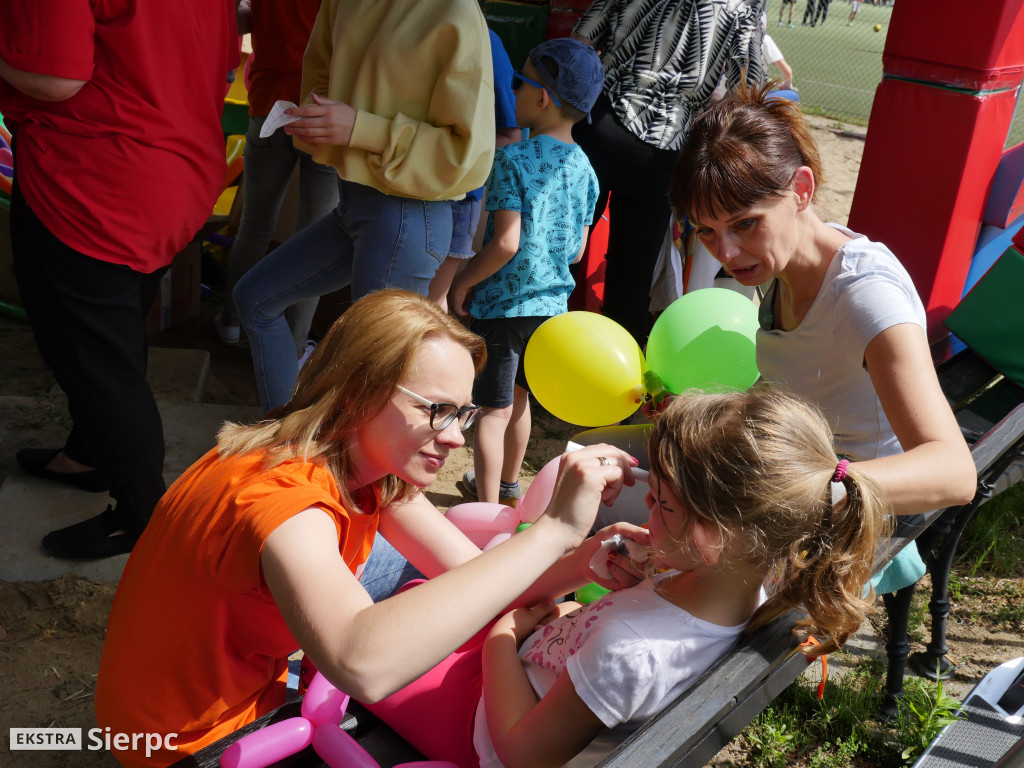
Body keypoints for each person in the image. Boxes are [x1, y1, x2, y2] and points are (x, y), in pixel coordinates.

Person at [94, 289, 642, 767]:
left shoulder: (365, 463)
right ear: (358, 392)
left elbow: (482, 580)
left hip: (227, 700)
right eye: (439, 410)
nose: (456, 438)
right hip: (187, 743)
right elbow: (364, 663)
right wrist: (550, 531)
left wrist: (584, 558)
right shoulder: (285, 499)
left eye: (465, 415)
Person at [363, 388, 891, 768]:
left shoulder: (630, 652)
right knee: (421, 597)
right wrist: (584, 598)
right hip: (534, 670)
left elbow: (523, 755)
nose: (647, 514)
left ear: (716, 537)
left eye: (659, 502)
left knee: (381, 634)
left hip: (483, 728)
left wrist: (501, 640)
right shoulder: (753, 584)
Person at [669, 83, 976, 584]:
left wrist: (811, 484)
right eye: (706, 230)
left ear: (802, 190)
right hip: (794, 491)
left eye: (744, 224)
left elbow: (954, 473)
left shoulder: (865, 294)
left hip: (859, 519)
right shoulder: (777, 267)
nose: (723, 252)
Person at [1, 2, 236, 558]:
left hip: (96, 184)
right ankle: (88, 455)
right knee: (111, 336)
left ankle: (142, 517)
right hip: (172, 169)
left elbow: (56, 77)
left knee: (103, 368)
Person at [233, 0, 496, 414]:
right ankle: (290, 442)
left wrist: (360, 128)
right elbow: (319, 72)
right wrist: (319, 122)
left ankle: (324, 465)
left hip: (409, 212)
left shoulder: (453, 11)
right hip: (355, 202)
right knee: (255, 299)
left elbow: (467, 154)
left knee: (371, 386)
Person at [450, 39, 602, 505]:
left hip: (502, 307)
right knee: (519, 402)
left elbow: (505, 243)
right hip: (551, 310)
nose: (510, 90)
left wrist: (464, 281)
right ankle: (509, 485)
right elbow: (576, 252)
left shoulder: (511, 160)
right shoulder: (587, 170)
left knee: (490, 413)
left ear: (542, 97)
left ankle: (487, 507)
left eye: (518, 81)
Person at [571, 0, 765, 346]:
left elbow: (582, 40)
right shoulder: (741, 5)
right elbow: (748, 86)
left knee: (560, 252)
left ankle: (524, 374)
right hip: (667, 142)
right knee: (632, 280)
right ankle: (617, 383)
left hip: (602, 119)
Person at [211, 0, 340, 360]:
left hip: (268, 103)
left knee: (254, 226)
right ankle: (295, 347)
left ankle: (230, 322)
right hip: (323, 110)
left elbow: (238, 19)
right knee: (314, 238)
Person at [428, 28, 522, 312]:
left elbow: (510, 134)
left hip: (458, 196)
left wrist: (446, 154)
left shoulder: (486, 41)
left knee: (430, 304)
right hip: (410, 187)